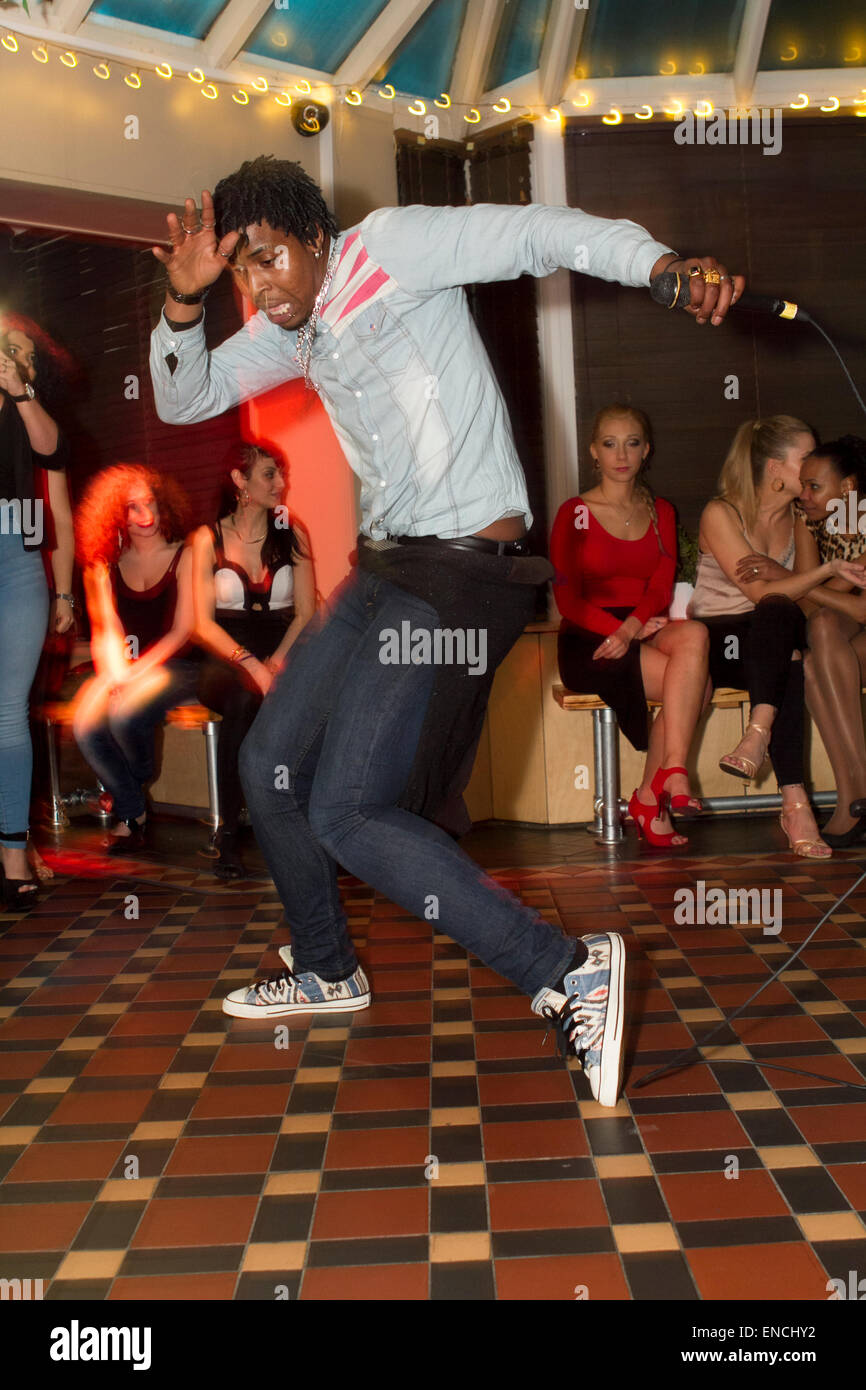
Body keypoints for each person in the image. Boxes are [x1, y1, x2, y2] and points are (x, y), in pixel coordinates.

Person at [148, 155, 743, 1107]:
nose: (258, 287)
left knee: (348, 808)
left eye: (268, 260)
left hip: (467, 570)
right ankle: (326, 965)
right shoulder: (290, 330)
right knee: (271, 767)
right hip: (389, 567)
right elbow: (185, 396)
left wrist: (660, 264)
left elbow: (538, 232)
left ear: (314, 238)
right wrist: (183, 310)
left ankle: (566, 972)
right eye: (241, 275)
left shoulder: (391, 247)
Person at [690, 417, 866, 858]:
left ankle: (765, 742)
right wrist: (812, 575)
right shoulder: (723, 512)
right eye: (805, 458)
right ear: (774, 468)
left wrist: (794, 576)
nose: (811, 471)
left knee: (795, 648)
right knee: (789, 642)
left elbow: (809, 597)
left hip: (775, 635)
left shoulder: (807, 516)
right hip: (724, 640)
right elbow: (775, 593)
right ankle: (805, 801)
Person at [551, 404, 710, 848]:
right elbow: (567, 598)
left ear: (646, 451)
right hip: (589, 636)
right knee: (700, 685)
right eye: (610, 443)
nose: (621, 454)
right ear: (593, 453)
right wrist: (619, 631)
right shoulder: (574, 513)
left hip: (643, 621)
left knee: (695, 636)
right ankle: (653, 796)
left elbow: (662, 584)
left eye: (632, 443)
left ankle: (664, 780)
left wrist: (635, 625)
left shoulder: (660, 510)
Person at [191, 444, 316, 877]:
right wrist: (252, 665)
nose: (280, 484)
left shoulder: (292, 533)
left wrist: (277, 663)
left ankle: (312, 823)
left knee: (316, 696)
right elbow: (201, 624)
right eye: (269, 475)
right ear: (239, 481)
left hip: (283, 650)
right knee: (244, 702)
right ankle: (227, 831)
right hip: (226, 657)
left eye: (281, 474)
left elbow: (306, 613)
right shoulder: (206, 538)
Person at [73, 465, 200, 853]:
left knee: (125, 714)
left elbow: (183, 631)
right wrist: (115, 676)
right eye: (133, 508)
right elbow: (105, 628)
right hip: (122, 667)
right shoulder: (102, 564)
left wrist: (132, 677)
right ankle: (134, 809)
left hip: (180, 665)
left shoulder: (188, 552)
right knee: (84, 723)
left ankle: (130, 797)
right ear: (117, 514)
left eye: (152, 505)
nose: (145, 517)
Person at [750, 436, 866, 846]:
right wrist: (822, 579)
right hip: (844, 634)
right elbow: (809, 602)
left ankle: (860, 790)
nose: (805, 494)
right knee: (815, 650)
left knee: (824, 635)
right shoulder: (808, 520)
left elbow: (860, 609)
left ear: (848, 488)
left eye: (815, 486)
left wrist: (785, 578)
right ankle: (853, 801)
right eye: (804, 484)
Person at [0, 313, 75, 908]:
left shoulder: (31, 414)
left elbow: (53, 459)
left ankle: (12, 849)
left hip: (17, 563)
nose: (4, 354)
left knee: (7, 713)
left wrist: (65, 592)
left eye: (16, 349)